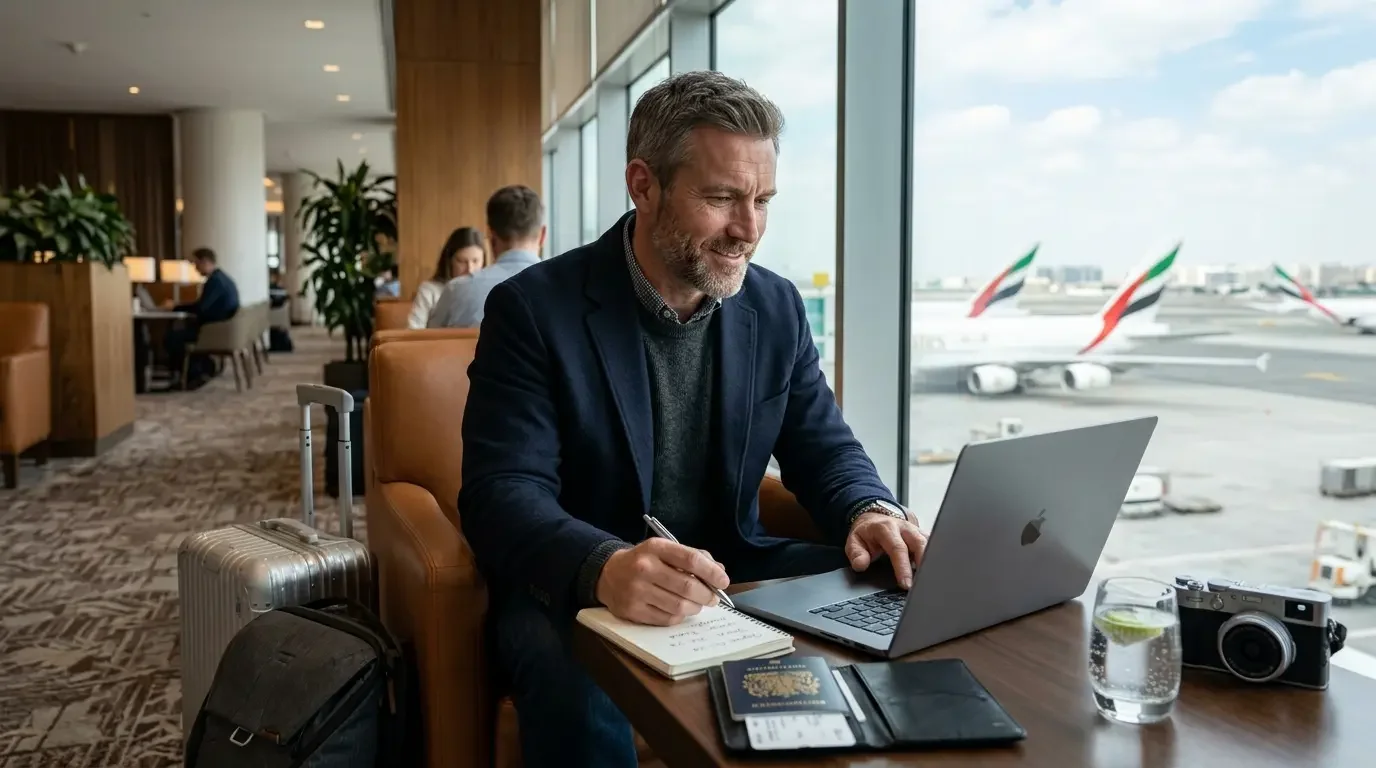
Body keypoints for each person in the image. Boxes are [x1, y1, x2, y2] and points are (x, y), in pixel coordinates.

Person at [458, 70, 927, 767]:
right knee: (574, 683)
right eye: (722, 198)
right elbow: (500, 493)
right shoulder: (533, 310)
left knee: (905, 594)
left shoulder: (775, 307)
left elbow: (822, 446)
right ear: (643, 185)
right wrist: (604, 565)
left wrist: (868, 508)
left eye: (763, 200)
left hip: (734, 564)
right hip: (578, 588)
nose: (748, 229)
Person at [425, 186, 544, 328]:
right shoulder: (571, 290)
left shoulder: (456, 290)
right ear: (543, 235)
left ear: (491, 238)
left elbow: (429, 341)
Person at [166, 247, 240, 386]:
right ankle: (195, 371)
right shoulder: (222, 279)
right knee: (179, 333)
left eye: (196, 264)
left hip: (212, 332)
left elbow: (201, 308)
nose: (195, 268)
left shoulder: (215, 281)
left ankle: (187, 376)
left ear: (205, 262)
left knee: (172, 338)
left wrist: (176, 306)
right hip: (219, 329)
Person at [407, 226, 486, 329]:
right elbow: (412, 331)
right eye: (462, 261)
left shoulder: (489, 289)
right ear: (449, 261)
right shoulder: (429, 290)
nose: (470, 269)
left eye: (475, 261)